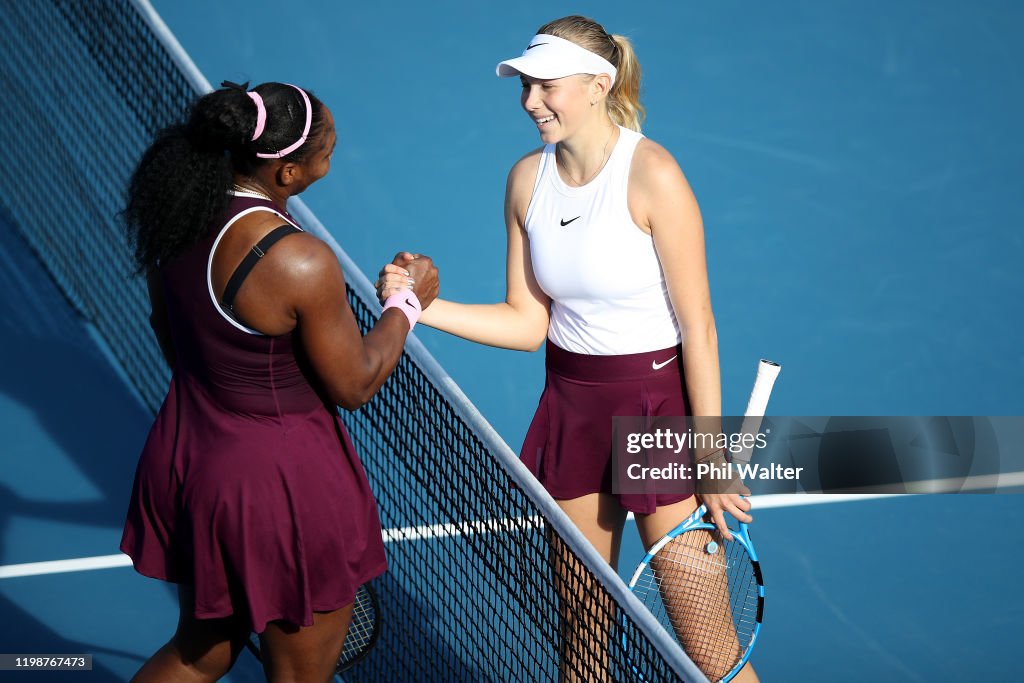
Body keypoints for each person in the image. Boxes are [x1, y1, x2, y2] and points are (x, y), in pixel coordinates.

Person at [378, 15, 757, 682]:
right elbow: (528, 323)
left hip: (655, 416)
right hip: (571, 409)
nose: (530, 103)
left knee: (711, 653)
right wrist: (419, 308)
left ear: (596, 84)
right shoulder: (527, 181)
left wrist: (710, 450)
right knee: (581, 628)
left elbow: (699, 325)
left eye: (545, 87)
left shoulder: (653, 175)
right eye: (525, 87)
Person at [120, 80, 438, 683]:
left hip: (193, 462)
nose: (333, 160)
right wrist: (405, 305)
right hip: (282, 494)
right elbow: (356, 384)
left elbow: (168, 330)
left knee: (202, 651)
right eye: (327, 152)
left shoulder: (178, 212)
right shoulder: (299, 261)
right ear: (288, 174)